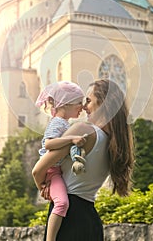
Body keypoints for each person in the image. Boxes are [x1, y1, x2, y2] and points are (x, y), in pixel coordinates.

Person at [32, 79, 135, 241]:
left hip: (68, 219)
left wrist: (43, 187)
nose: (83, 106)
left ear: (102, 103)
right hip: (91, 222)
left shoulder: (83, 131)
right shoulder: (115, 145)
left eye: (88, 100)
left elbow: (38, 169)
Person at [35, 81, 88, 241]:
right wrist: (72, 139)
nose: (82, 107)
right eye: (79, 103)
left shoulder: (63, 123)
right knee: (62, 203)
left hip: (55, 171)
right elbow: (49, 144)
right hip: (52, 171)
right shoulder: (58, 122)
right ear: (66, 104)